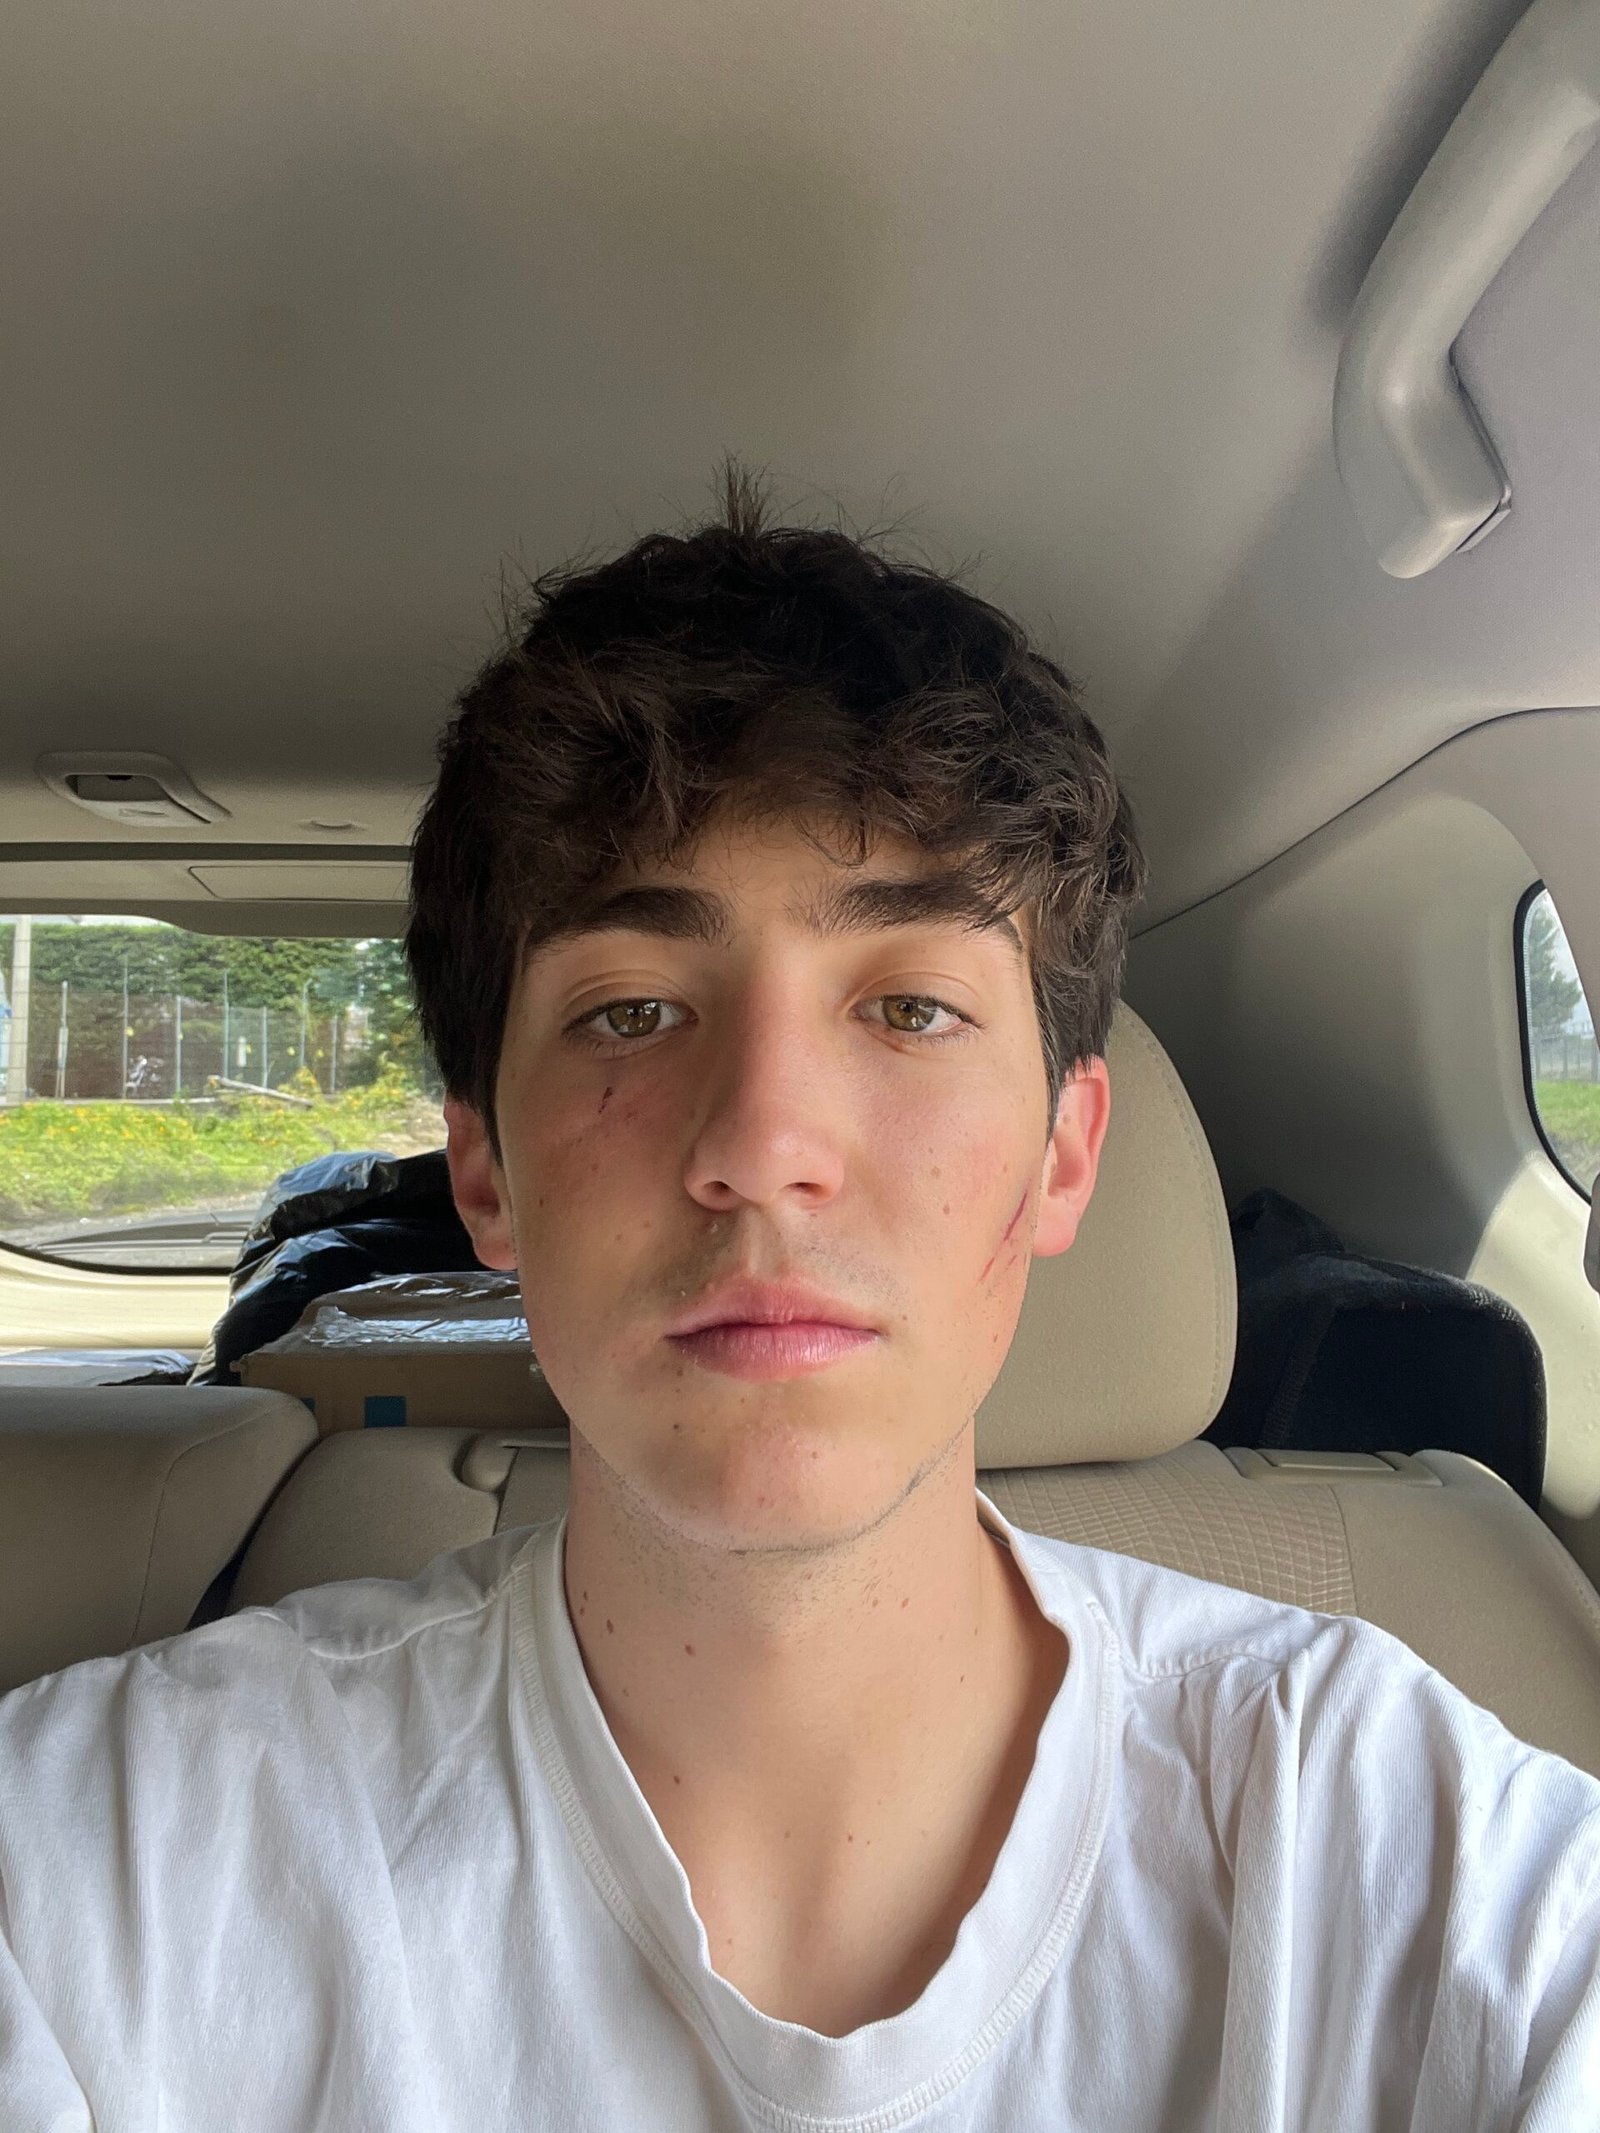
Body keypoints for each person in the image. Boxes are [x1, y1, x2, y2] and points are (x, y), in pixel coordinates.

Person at [1, 472, 1597, 2131]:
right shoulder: (97, 1884)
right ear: (483, 1168)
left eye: (909, 1008)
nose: (763, 1147)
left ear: (1064, 1156)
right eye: (632, 1012)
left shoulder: (1417, 1860)